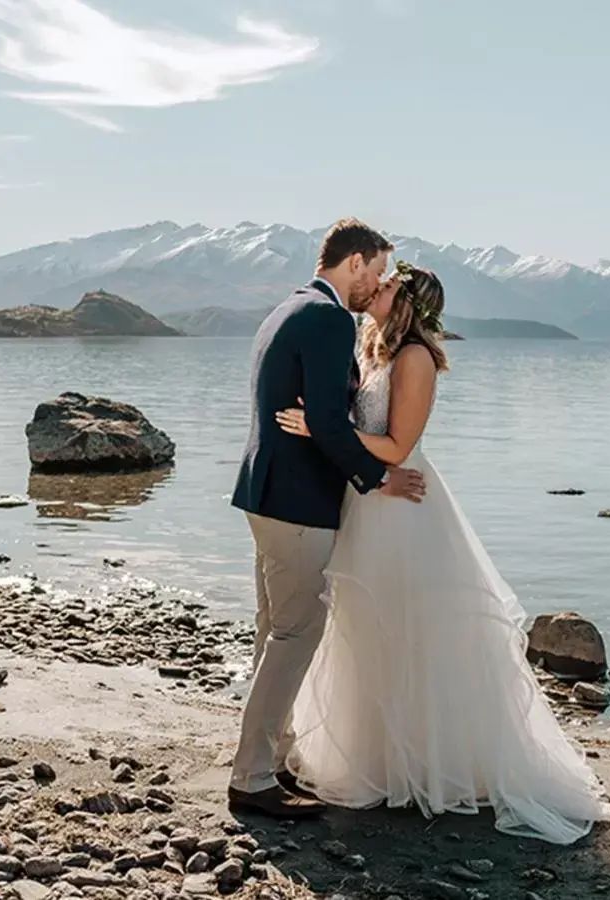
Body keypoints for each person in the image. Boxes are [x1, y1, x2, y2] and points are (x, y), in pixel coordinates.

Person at [272, 260, 610, 844]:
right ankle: (372, 755)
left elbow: (400, 444)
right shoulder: (374, 347)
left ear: (406, 303)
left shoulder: (416, 359)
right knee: (363, 626)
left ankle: (426, 764)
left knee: (404, 628)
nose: (373, 288)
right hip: (369, 500)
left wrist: (322, 430)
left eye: (385, 286)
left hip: (403, 510)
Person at [228, 218, 426, 818]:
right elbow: (330, 422)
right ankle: (253, 776)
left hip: (267, 496)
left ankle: (274, 759)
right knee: (295, 632)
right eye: (379, 270)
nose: (379, 284)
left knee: (274, 630)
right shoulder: (328, 317)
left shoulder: (287, 309)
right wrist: (380, 479)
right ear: (357, 263)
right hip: (297, 502)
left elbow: (317, 414)